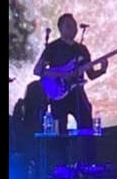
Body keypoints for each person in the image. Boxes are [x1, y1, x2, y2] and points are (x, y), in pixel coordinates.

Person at [33, 13, 107, 162]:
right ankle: (61, 167)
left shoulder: (82, 50)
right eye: (68, 25)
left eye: (74, 25)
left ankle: (88, 164)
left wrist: (102, 70)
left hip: (77, 94)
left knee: (86, 127)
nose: (73, 28)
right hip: (58, 95)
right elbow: (38, 70)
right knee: (60, 132)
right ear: (60, 29)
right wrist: (59, 75)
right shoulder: (53, 48)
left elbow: (90, 75)